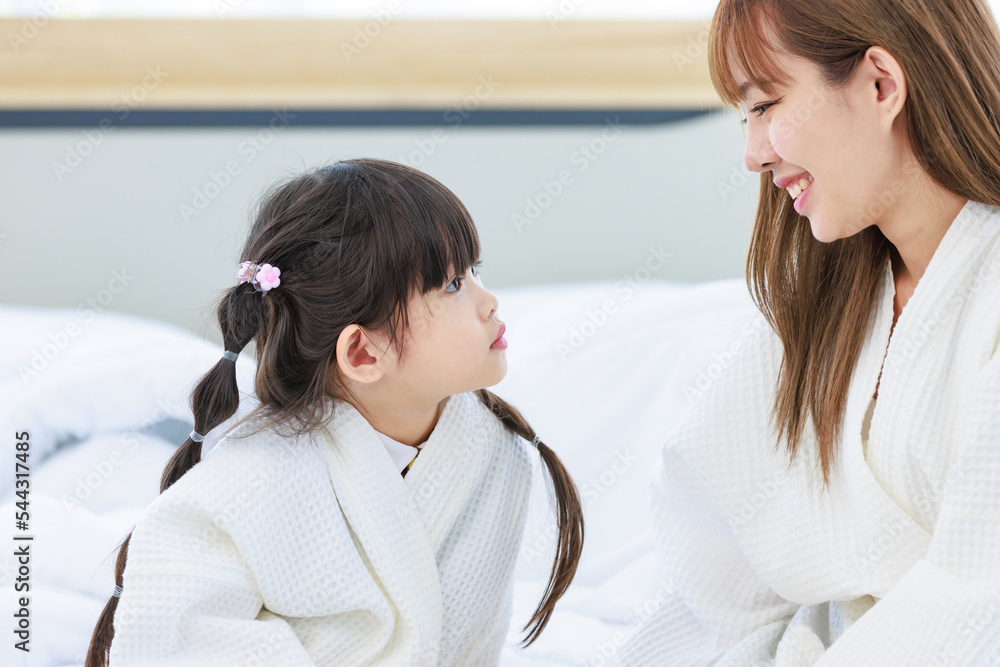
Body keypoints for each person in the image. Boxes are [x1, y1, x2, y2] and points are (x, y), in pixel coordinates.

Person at [84, 158, 584, 666]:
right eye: (453, 285)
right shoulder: (245, 489)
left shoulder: (494, 454)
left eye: (475, 271)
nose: (490, 301)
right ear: (364, 354)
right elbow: (174, 643)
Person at [619, 0, 1000, 664]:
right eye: (743, 117)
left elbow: (978, 598)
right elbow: (711, 553)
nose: (751, 154)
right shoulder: (825, 301)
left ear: (880, 85)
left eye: (765, 105)